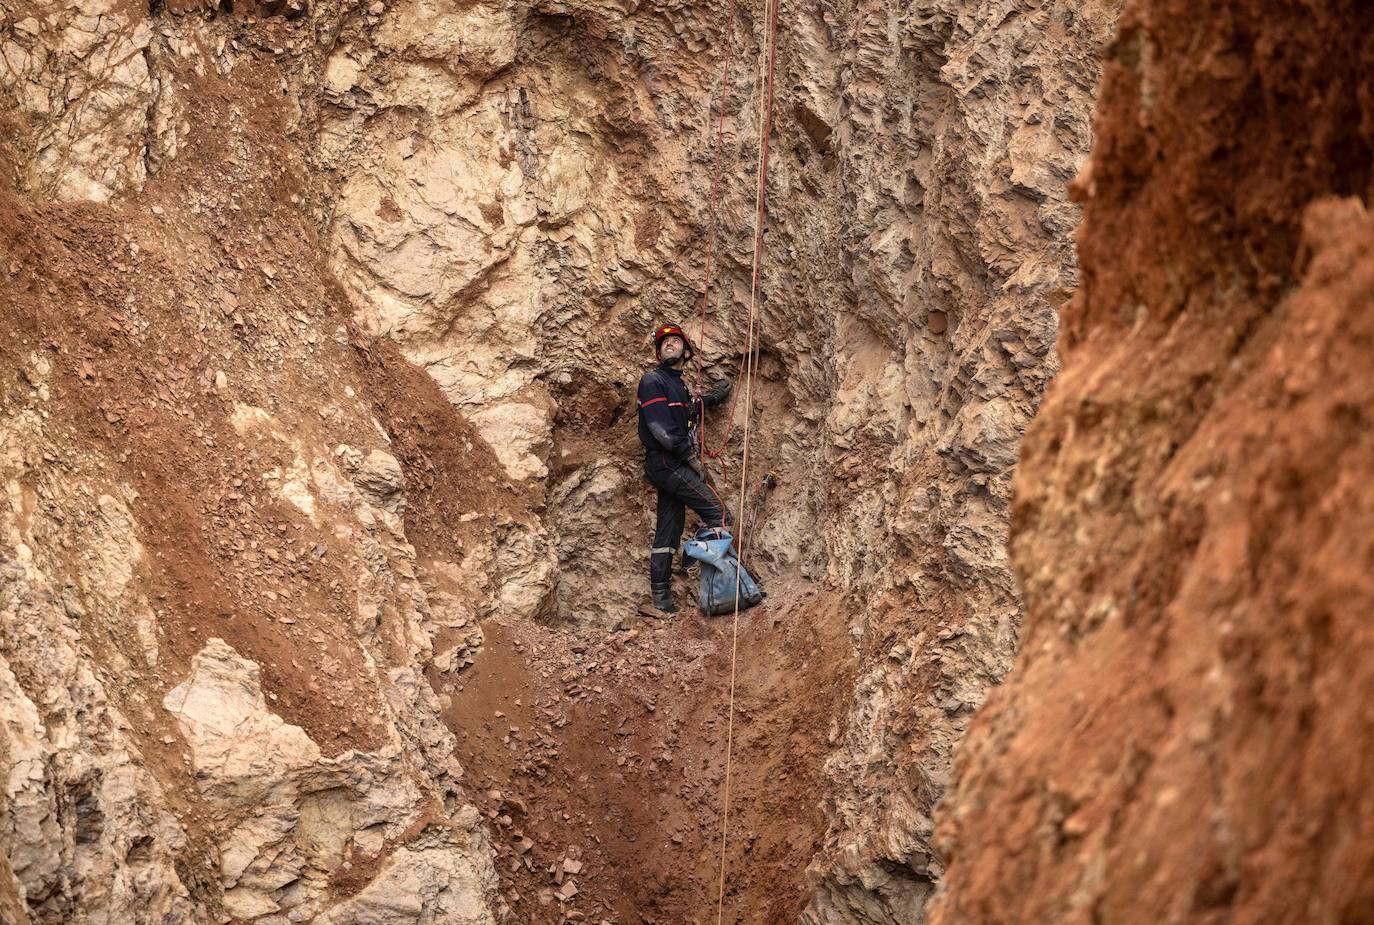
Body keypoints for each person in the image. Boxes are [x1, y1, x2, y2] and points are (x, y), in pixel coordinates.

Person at [636, 323, 732, 613]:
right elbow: (659, 427)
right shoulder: (652, 380)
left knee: (669, 528)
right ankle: (716, 584)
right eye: (664, 342)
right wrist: (689, 457)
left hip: (667, 464)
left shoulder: (677, 385)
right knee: (717, 512)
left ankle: (662, 601)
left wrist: (713, 398)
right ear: (657, 352)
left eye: (676, 341)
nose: (669, 344)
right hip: (667, 461)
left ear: (686, 352)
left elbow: (688, 409)